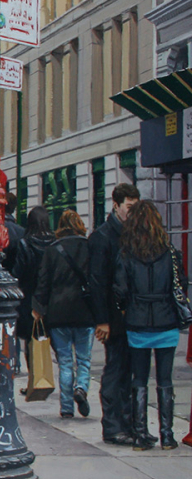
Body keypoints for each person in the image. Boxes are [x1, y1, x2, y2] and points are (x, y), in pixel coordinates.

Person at [112, 199, 184, 450]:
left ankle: (141, 435)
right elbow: (180, 285)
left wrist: (126, 306)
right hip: (166, 321)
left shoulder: (126, 253)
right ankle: (167, 435)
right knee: (165, 380)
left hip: (138, 320)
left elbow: (119, 290)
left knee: (139, 379)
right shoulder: (171, 252)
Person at [89, 182, 141, 445]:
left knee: (130, 372)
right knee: (116, 371)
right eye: (128, 207)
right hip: (114, 317)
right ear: (116, 205)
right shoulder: (102, 237)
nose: (131, 213)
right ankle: (113, 426)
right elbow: (97, 282)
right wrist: (102, 320)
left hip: (133, 317)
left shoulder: (132, 235)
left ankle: (129, 424)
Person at [32, 210, 95, 419]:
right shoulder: (89, 247)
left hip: (58, 312)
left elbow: (43, 281)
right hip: (85, 311)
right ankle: (82, 387)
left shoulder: (53, 250)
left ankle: (67, 407)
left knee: (65, 361)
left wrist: (38, 307)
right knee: (84, 359)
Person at [13, 206, 55, 381]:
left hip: (29, 297)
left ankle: (35, 378)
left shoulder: (25, 244)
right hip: (51, 297)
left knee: (31, 341)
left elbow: (18, 272)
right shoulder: (55, 243)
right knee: (51, 338)